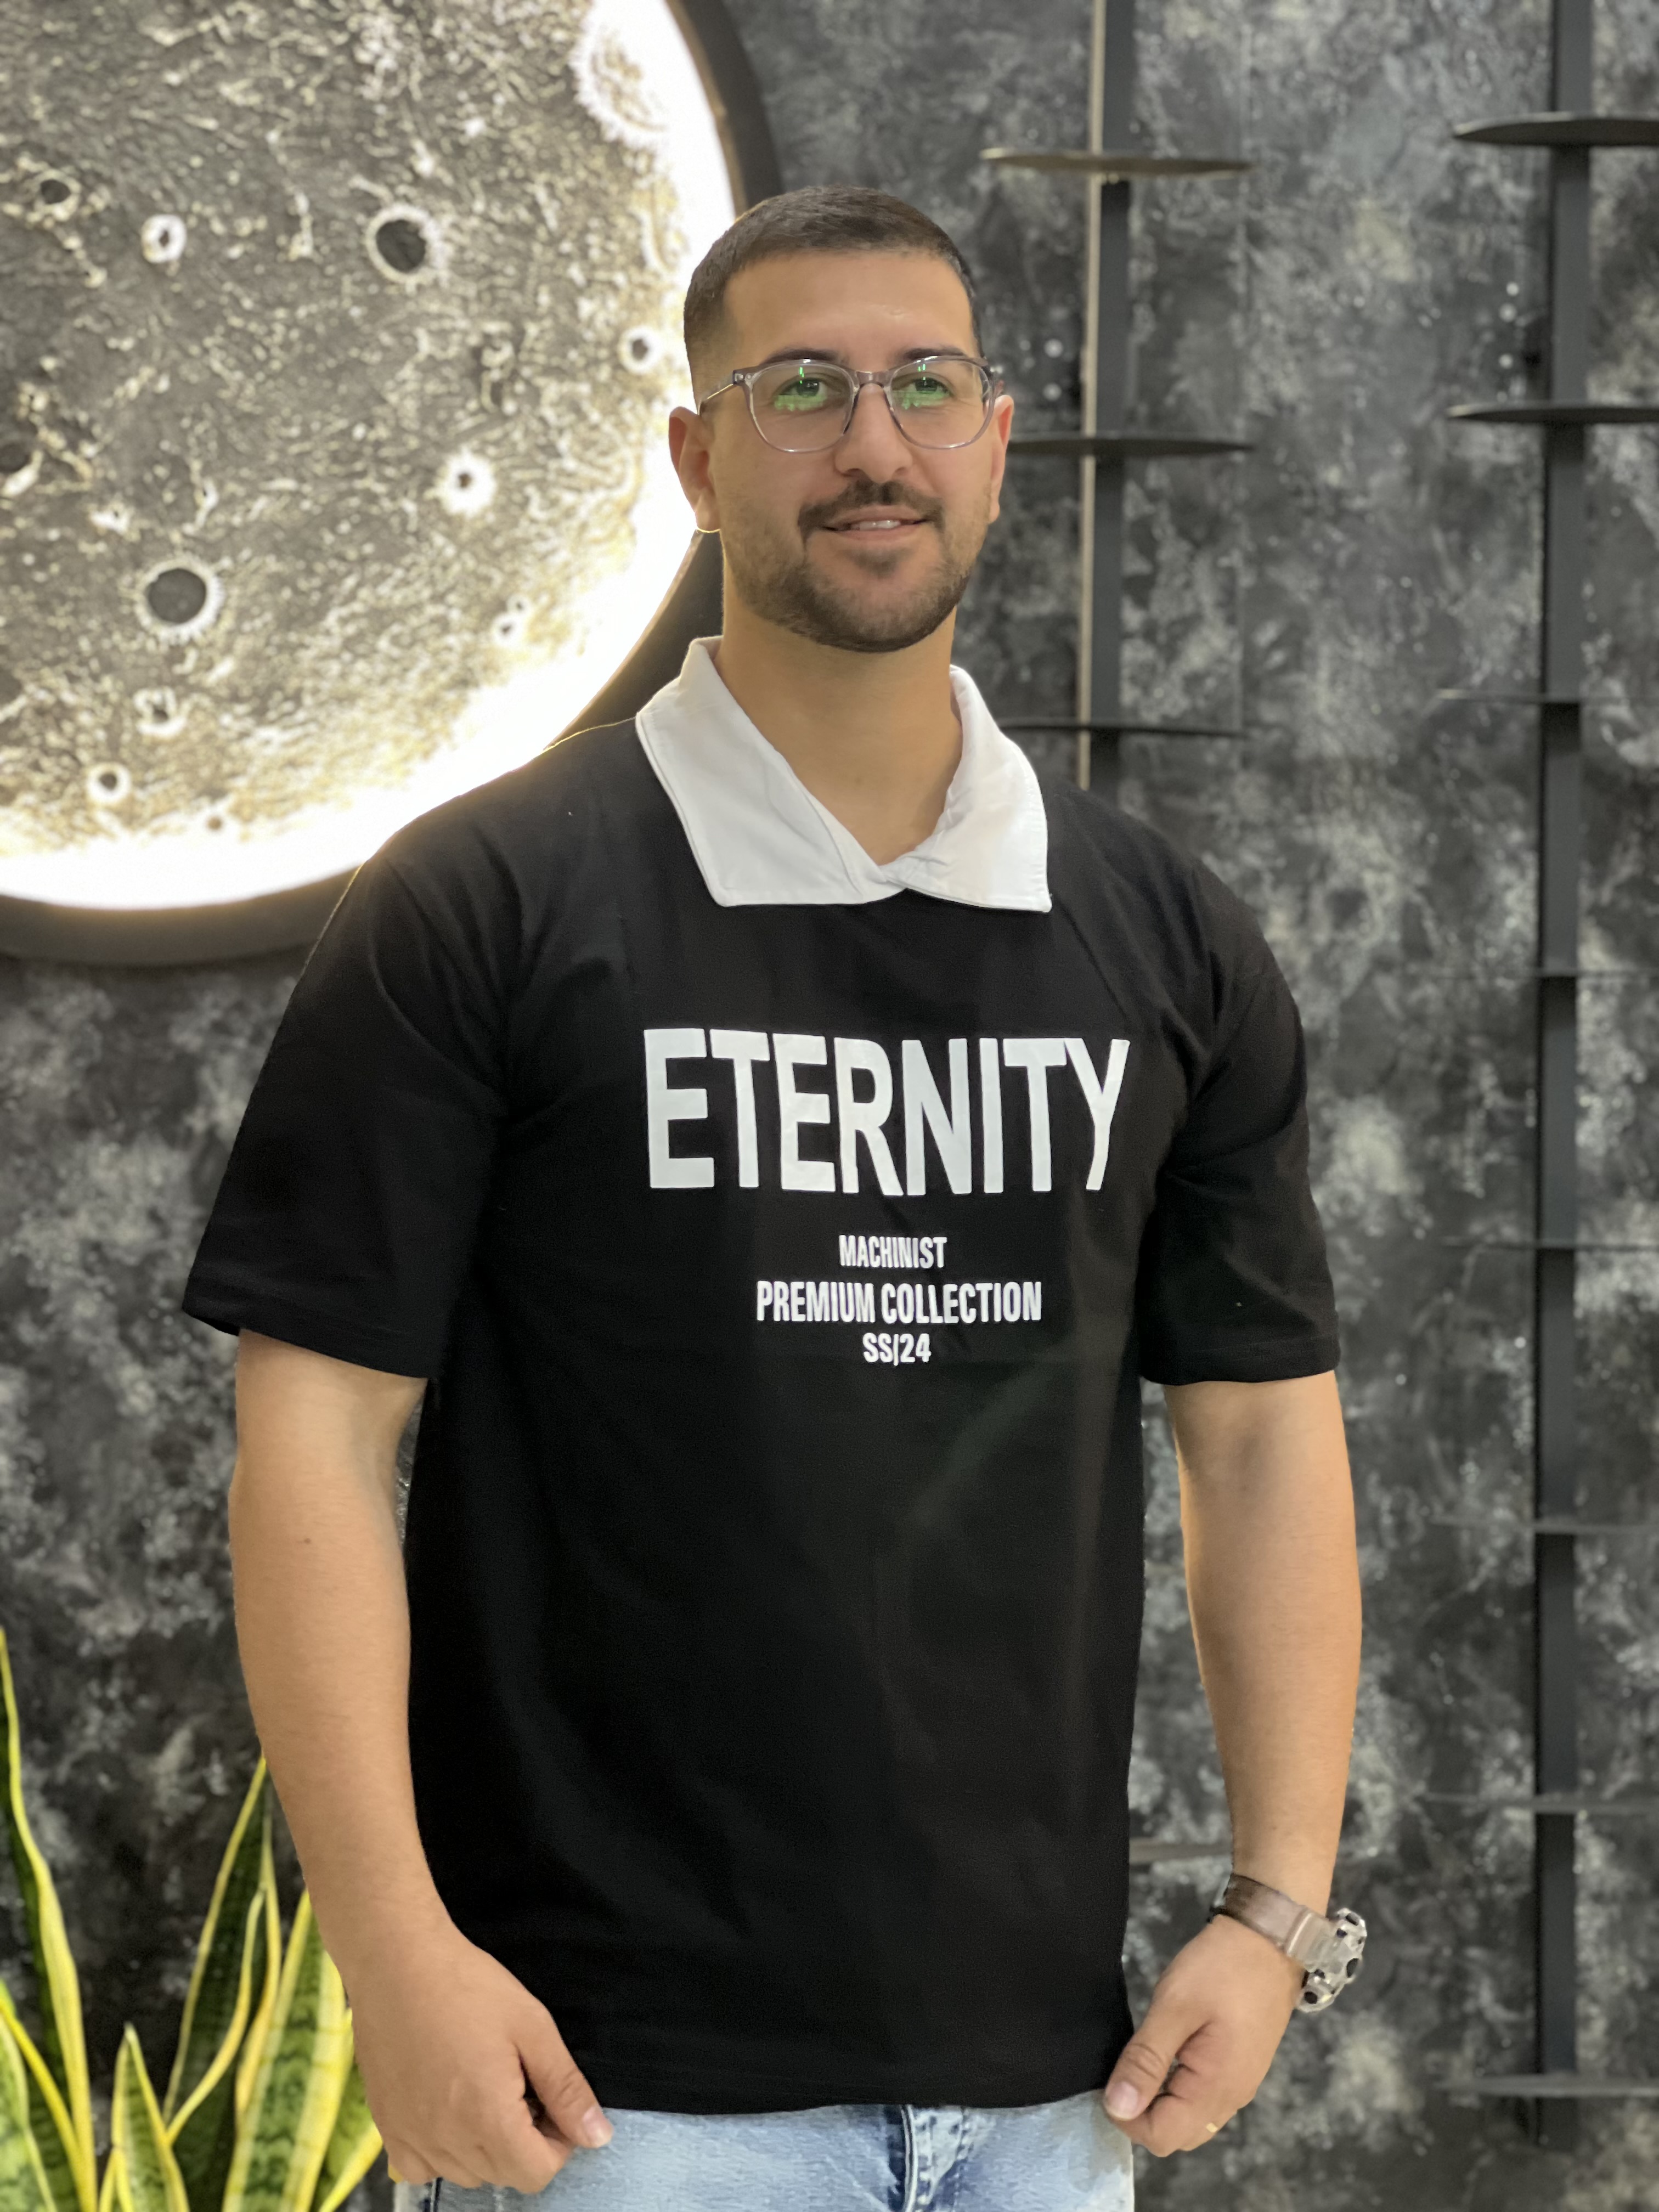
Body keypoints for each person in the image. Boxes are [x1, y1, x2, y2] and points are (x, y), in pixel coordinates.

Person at [184, 186, 1362, 2212]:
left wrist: (1278, 1908)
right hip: (609, 2100)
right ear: (696, 456)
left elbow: (1260, 1436)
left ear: (997, 444)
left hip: (1054, 2092)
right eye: (802, 389)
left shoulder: (1166, 940)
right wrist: (390, 1950)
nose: (873, 445)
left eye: (926, 386)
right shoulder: (484, 902)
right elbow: (315, 1437)